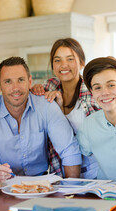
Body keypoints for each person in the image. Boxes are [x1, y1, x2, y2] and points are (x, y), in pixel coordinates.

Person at [0, 57, 82, 181]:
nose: (16, 88)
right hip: (0, 185)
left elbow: (69, 150)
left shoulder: (46, 106)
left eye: (21, 80)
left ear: (29, 81)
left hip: (42, 184)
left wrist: (71, 189)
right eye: (8, 81)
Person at [31, 38, 100, 179]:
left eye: (70, 59)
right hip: (61, 169)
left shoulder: (93, 91)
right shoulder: (49, 88)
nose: (63, 65)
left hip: (96, 169)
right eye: (57, 60)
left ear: (81, 63)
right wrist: (35, 91)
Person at [77, 56, 116, 181]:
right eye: (98, 87)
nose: (105, 93)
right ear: (92, 92)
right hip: (104, 197)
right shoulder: (88, 125)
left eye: (111, 85)